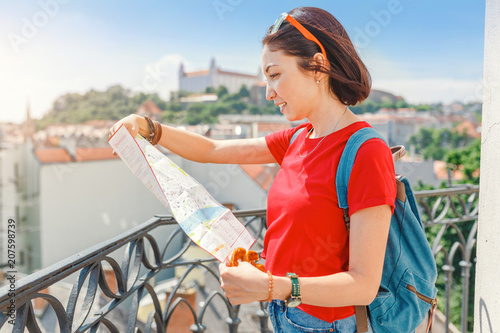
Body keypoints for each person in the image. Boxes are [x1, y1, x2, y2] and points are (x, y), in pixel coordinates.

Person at [109, 7, 396, 333]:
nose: (268, 92)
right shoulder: (299, 138)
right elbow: (211, 150)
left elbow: (363, 285)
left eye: (274, 75)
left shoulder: (366, 151)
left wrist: (273, 286)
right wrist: (149, 128)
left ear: (317, 66)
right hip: (284, 314)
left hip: (325, 325)